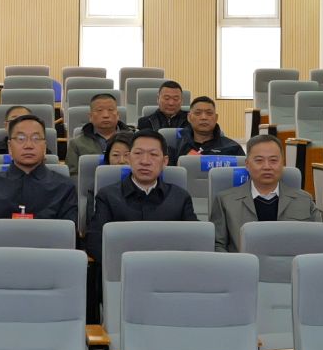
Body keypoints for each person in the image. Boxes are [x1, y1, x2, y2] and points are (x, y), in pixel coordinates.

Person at [86, 129, 197, 266]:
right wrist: (129, 267)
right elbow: (95, 242)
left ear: (165, 161)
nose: (145, 161)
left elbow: (194, 240)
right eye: (138, 153)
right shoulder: (107, 196)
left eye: (153, 154)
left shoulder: (180, 198)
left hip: (170, 271)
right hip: (122, 272)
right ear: (129, 158)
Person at [209, 133, 322, 252]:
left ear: (282, 163)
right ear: (247, 164)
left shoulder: (305, 200)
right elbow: (217, 245)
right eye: (259, 160)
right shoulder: (225, 201)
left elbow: (319, 241)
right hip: (243, 263)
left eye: (273, 160)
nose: (267, 167)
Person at [0, 114, 76, 221]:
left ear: (45, 147)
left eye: (36, 138)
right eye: (21, 138)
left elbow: (67, 230)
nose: (28, 145)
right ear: (10, 147)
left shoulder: (64, 187)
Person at [169, 96, 242, 159]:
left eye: (209, 113)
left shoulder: (232, 148)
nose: (204, 117)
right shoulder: (176, 147)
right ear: (189, 117)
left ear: (216, 118)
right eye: (198, 113)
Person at [65, 92, 125, 167]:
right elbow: (72, 172)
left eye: (110, 110)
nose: (106, 115)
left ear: (118, 115)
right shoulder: (76, 144)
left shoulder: (132, 140)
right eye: (100, 110)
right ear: (90, 116)